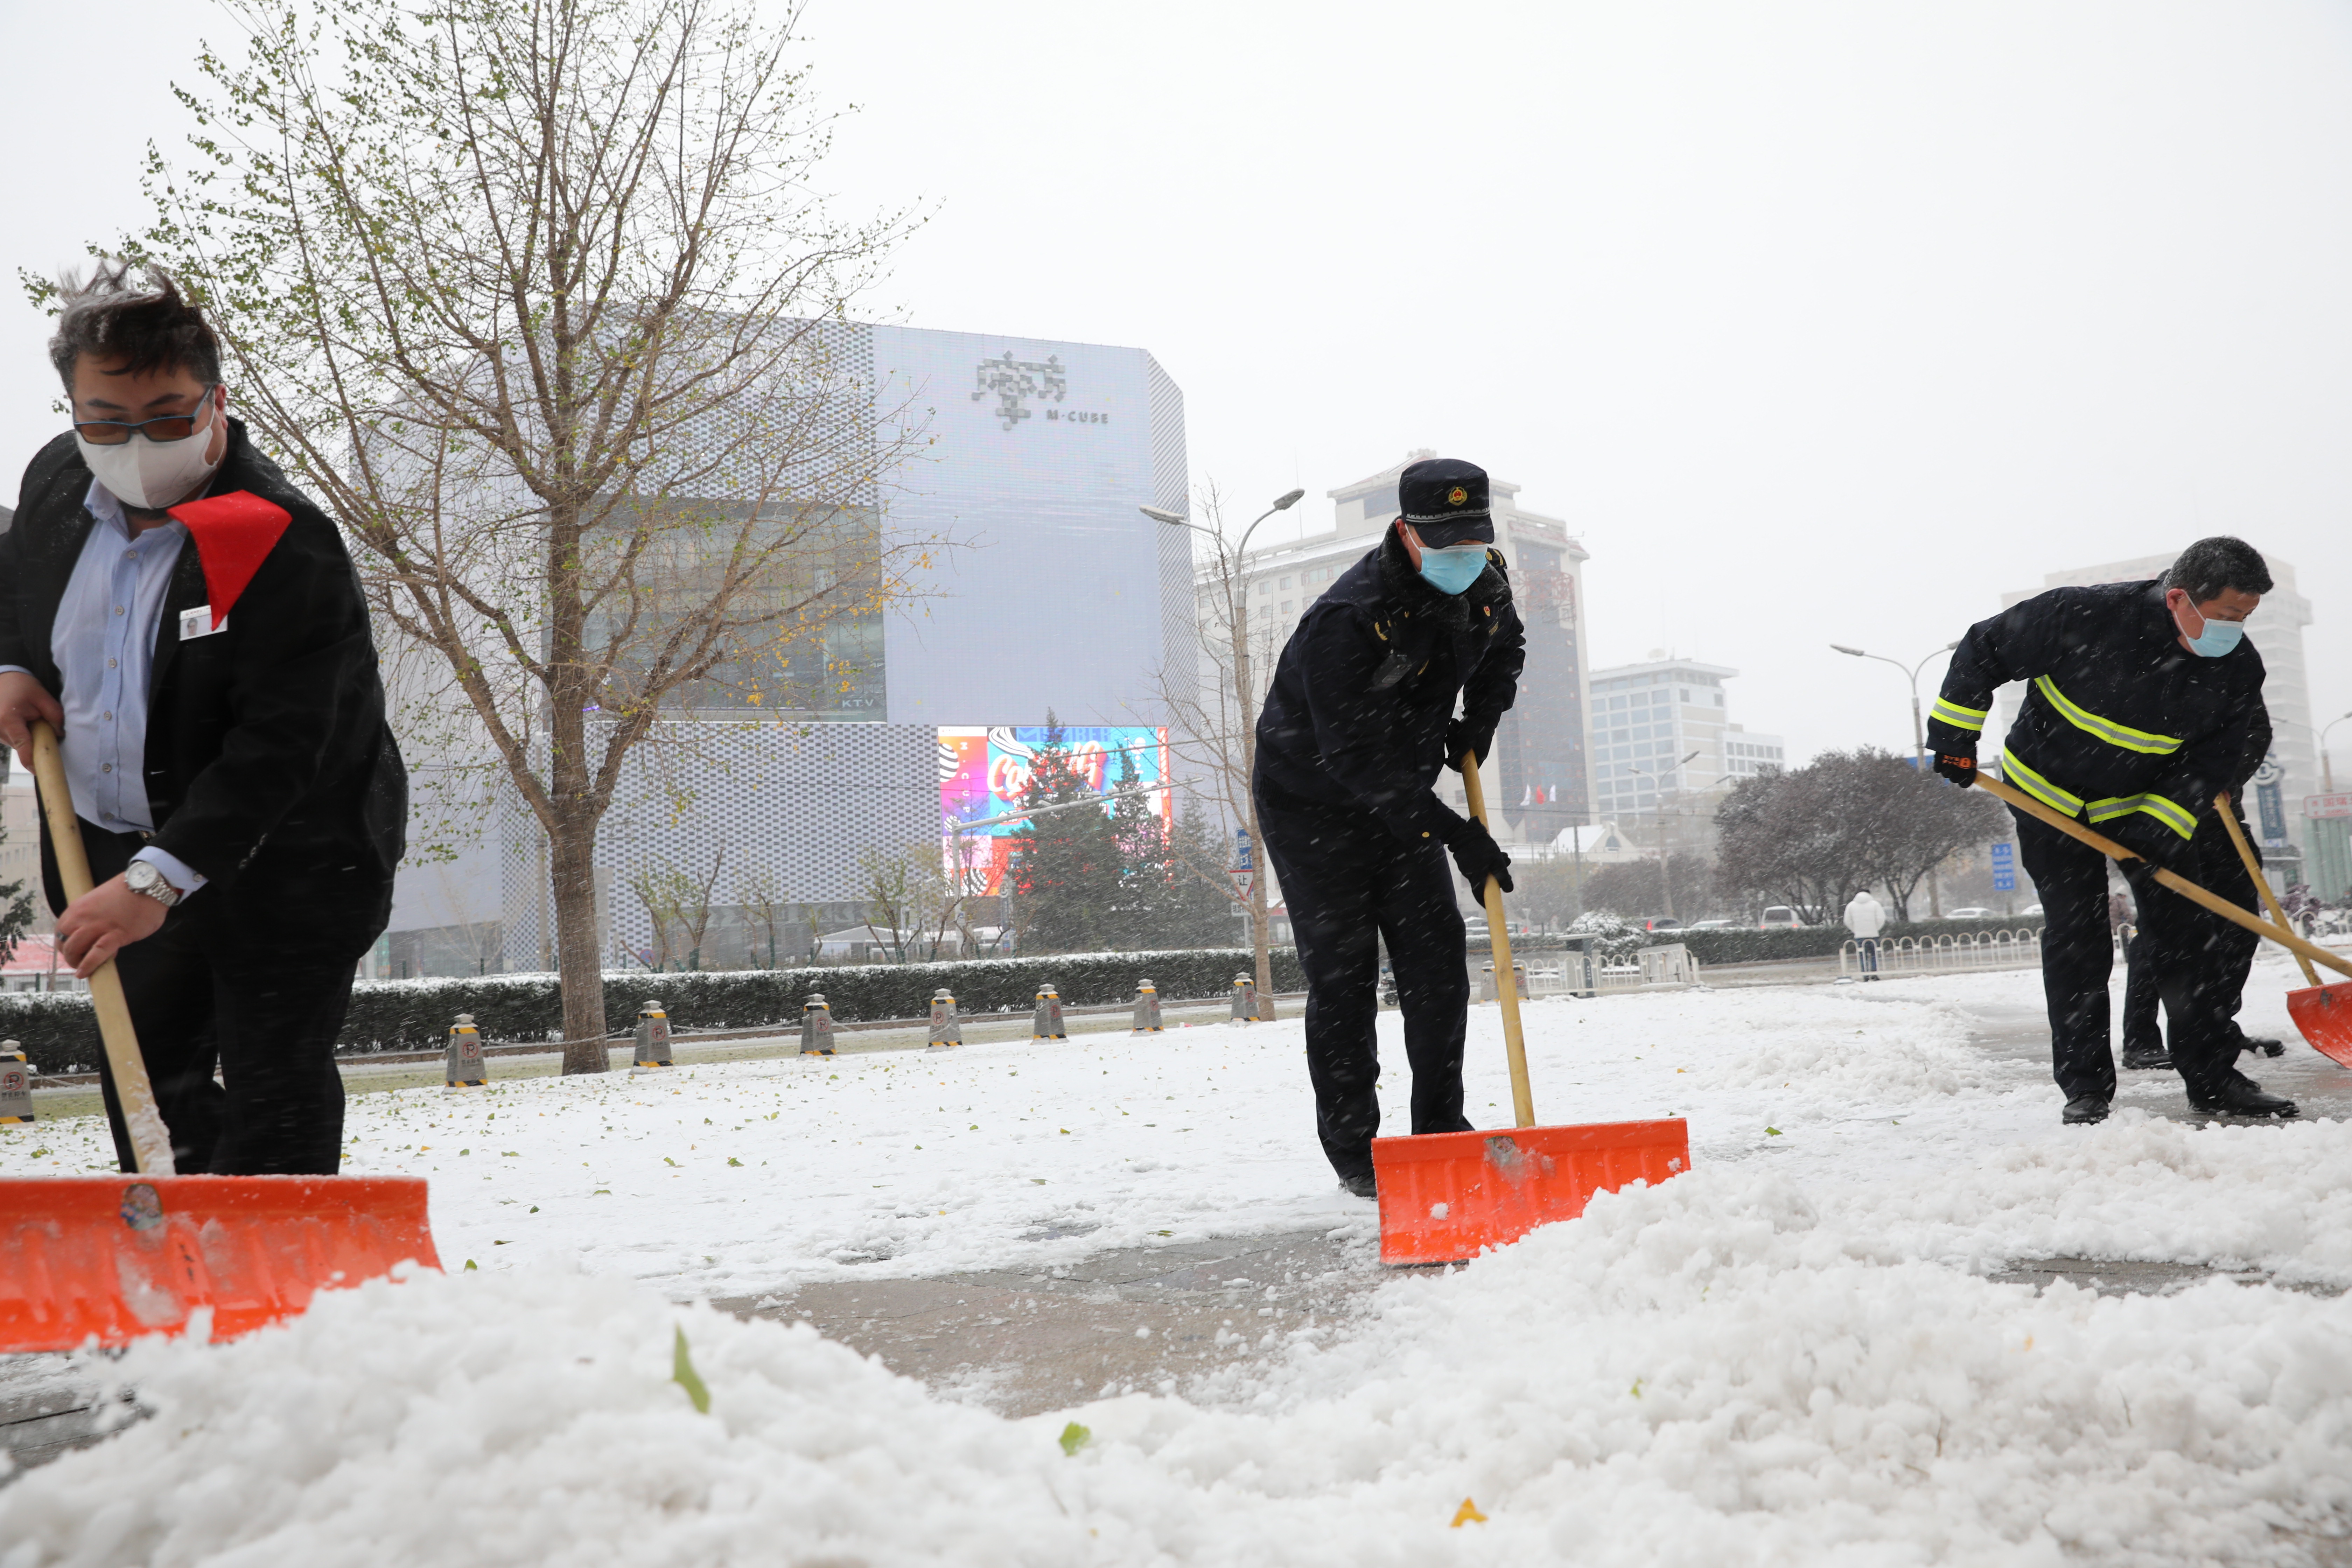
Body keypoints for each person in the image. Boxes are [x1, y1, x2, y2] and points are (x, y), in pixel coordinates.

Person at [0, 260, 405, 1175]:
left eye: (170, 417)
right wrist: (14, 664)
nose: (137, 444)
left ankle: (284, 1293)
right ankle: (179, 1281)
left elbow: (280, 745)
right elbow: (15, 576)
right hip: (106, 847)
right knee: (150, 1093)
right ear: (72, 408)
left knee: (275, 1089)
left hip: (291, 858)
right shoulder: (62, 481)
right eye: (105, 420)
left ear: (217, 403)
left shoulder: (278, 539)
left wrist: (158, 887)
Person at [1924, 536, 2290, 1124]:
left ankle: (2214, 1077)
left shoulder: (2237, 669)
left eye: (2245, 618)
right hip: (2048, 795)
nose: (2234, 631)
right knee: (2078, 937)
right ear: (2179, 598)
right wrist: (1953, 736)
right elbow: (1984, 650)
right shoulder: (2081, 614)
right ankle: (2086, 1087)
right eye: (2225, 617)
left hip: (2138, 800)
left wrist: (2162, 828)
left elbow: (2213, 761)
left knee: (2186, 940)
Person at [1253, 457, 1525, 1197]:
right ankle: (1355, 1153)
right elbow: (1358, 764)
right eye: (1447, 545)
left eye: (1473, 541)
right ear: (1406, 534)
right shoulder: (1346, 622)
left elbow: (1505, 648)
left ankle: (1441, 1129)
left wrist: (1484, 716)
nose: (1463, 559)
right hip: (1315, 798)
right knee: (1344, 977)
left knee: (1437, 965)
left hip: (1400, 789)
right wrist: (1459, 835)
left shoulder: (1486, 584)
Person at [2118, 786, 2282, 1071]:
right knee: (2159, 933)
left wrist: (2226, 775)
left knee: (2240, 931)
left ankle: (2218, 1029)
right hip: (2165, 822)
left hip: (2224, 820)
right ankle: (2141, 1038)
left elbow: (2251, 742)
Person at [1842, 887, 1887, 979]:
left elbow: (1847, 921)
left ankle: (1865, 975)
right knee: (1874, 955)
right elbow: (1881, 919)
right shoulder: (1875, 904)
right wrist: (1875, 929)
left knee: (1863, 956)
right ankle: (1874, 974)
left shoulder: (1851, 906)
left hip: (1859, 936)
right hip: (1873, 935)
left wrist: (1855, 930)